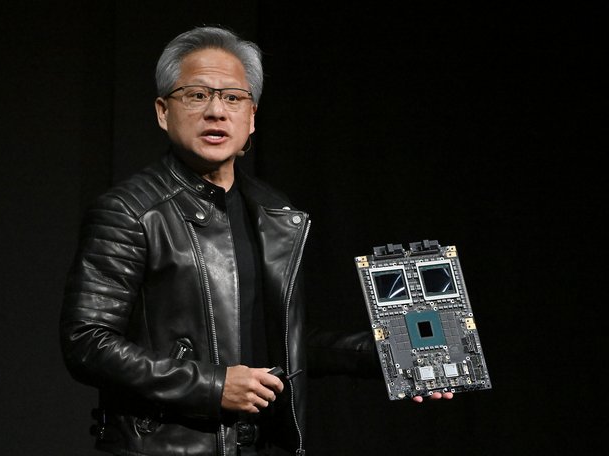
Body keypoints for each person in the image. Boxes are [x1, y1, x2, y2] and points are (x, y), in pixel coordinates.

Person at [59, 25, 452, 456]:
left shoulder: (273, 210)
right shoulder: (129, 211)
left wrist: (390, 354)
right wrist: (213, 385)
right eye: (196, 94)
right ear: (162, 111)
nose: (216, 111)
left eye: (232, 98)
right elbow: (87, 342)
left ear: (251, 117)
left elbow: (282, 339)